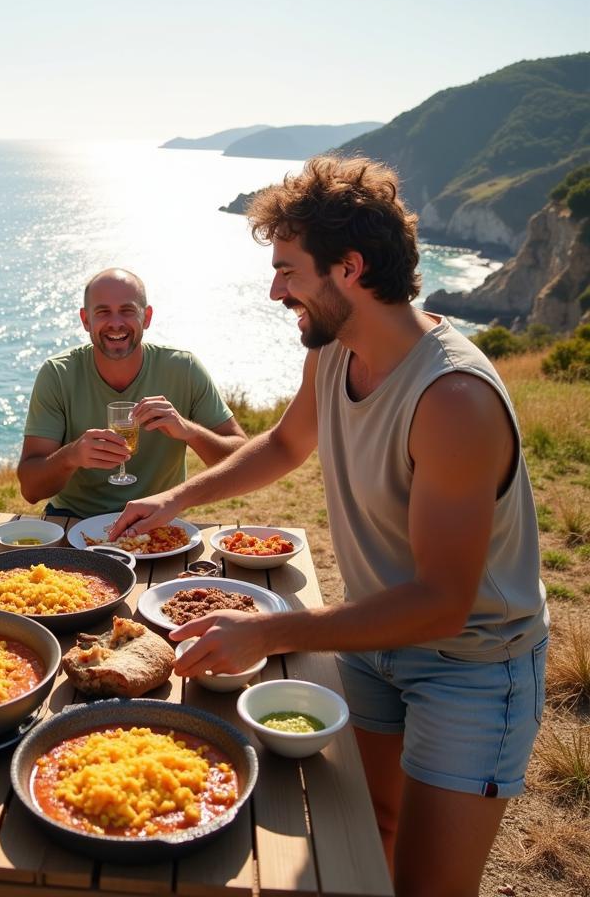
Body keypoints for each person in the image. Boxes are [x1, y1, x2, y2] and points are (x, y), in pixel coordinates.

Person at [111, 157, 548, 897]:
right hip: (374, 641)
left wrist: (272, 632)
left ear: (348, 268)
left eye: (287, 270)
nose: (275, 289)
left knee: (428, 886)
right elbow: (284, 445)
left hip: (471, 665)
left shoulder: (453, 399)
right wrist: (177, 501)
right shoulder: (334, 349)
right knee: (370, 833)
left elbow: (444, 600)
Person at [17, 267, 246, 518]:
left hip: (156, 524)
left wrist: (189, 431)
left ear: (146, 317)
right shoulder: (58, 374)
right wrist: (71, 456)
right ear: (85, 320)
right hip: (73, 520)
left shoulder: (183, 368)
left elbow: (243, 464)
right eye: (103, 312)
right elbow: (30, 490)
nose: (116, 323)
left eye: (127, 311)